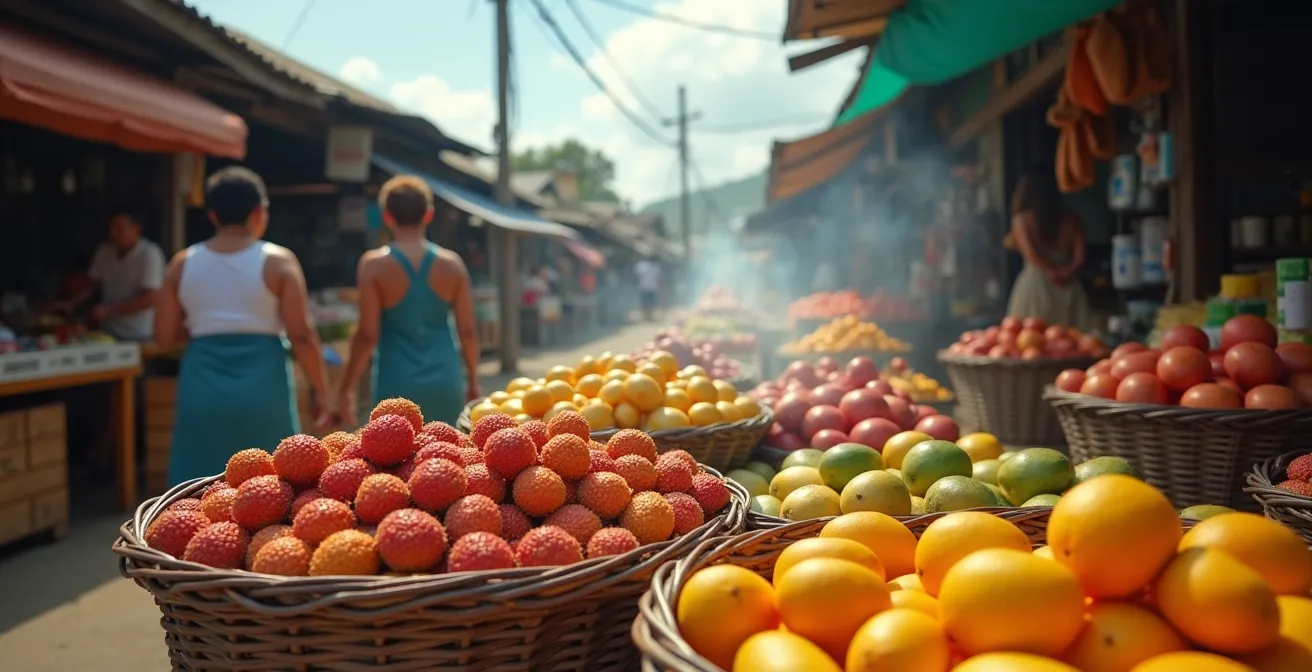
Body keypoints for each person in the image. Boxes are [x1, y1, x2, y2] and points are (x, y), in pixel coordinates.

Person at [155, 167, 330, 485]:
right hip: (264, 388)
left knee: (197, 496)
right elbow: (302, 335)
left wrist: (204, 325)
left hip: (201, 387)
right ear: (257, 213)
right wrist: (321, 391)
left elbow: (164, 336)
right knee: (270, 490)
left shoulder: (182, 264)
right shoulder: (278, 261)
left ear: (213, 215)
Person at [337, 175, 480, 427]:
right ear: (429, 215)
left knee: (396, 460)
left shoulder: (374, 265)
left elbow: (367, 336)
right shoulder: (452, 265)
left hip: (395, 383)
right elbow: (467, 331)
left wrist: (346, 389)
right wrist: (474, 381)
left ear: (387, 217)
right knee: (447, 460)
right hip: (445, 381)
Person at [1005, 170, 1096, 331]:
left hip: (1036, 285)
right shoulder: (1072, 219)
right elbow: (1080, 258)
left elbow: (1031, 255)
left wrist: (1049, 271)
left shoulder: (1021, 220)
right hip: (1068, 286)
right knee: (1073, 344)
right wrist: (1066, 272)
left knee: (1031, 342)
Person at [53, 214, 166, 341]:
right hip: (107, 332)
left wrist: (110, 309)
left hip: (139, 334)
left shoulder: (150, 254)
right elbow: (92, 284)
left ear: (137, 229)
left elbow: (150, 299)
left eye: (120, 229)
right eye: (111, 229)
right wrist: (72, 303)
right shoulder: (104, 251)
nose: (113, 234)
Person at [634, 256, 662, 322]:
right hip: (653, 288)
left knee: (645, 303)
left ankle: (646, 317)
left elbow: (636, 277)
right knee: (651, 303)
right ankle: (649, 316)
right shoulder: (655, 267)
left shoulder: (641, 266)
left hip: (643, 287)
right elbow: (659, 278)